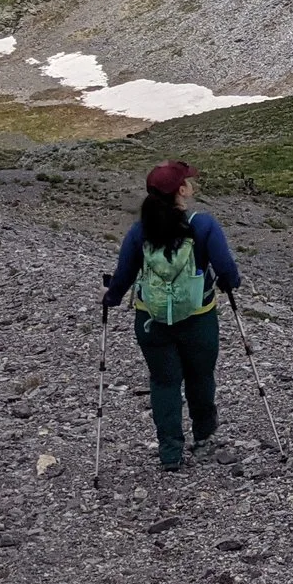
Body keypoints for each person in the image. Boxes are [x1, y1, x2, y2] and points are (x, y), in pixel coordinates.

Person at [100, 160, 243, 470]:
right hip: (199, 318)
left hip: (151, 322)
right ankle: (203, 439)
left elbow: (123, 276)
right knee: (200, 377)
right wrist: (229, 283)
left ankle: (170, 452)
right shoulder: (203, 225)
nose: (192, 184)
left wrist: (110, 298)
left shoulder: (140, 231)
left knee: (164, 382)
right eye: (188, 181)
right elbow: (227, 271)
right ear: (182, 190)